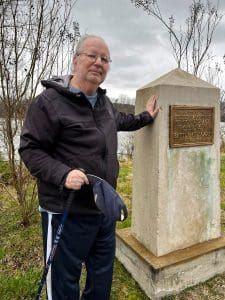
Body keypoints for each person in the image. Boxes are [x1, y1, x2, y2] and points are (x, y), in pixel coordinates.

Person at [19, 34, 160, 300]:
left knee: (101, 277)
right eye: (92, 56)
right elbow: (30, 149)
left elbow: (122, 121)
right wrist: (63, 173)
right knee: (64, 284)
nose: (99, 62)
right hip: (65, 210)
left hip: (104, 208)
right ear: (75, 61)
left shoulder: (104, 103)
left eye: (105, 59)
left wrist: (147, 117)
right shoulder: (49, 102)